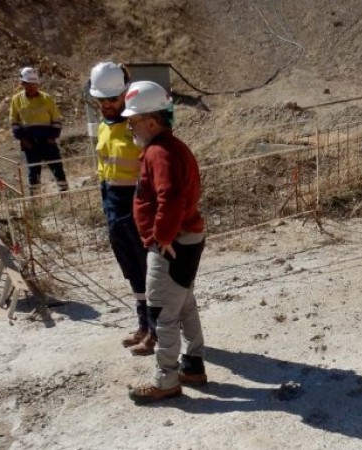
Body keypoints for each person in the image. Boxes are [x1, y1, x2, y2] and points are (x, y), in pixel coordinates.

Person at [123, 81, 208, 404]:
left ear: (151, 122)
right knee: (184, 302)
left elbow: (169, 196)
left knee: (162, 312)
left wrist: (162, 237)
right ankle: (193, 365)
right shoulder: (173, 148)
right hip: (185, 237)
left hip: (173, 242)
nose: (130, 127)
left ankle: (166, 380)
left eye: (133, 121)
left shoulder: (160, 153)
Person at [88, 62, 155, 356]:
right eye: (101, 100)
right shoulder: (103, 126)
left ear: (124, 94)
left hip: (137, 205)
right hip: (113, 207)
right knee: (132, 271)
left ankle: (157, 329)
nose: (106, 105)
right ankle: (143, 324)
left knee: (149, 270)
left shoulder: (137, 124)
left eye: (111, 100)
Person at [9, 66, 69, 194]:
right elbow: (14, 122)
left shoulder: (47, 98)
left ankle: (65, 195)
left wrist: (52, 137)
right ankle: (35, 200)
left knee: (57, 168)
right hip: (29, 143)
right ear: (22, 83)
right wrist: (23, 140)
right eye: (28, 84)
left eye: (33, 84)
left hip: (48, 141)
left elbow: (56, 119)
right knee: (33, 172)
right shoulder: (16, 100)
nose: (31, 87)